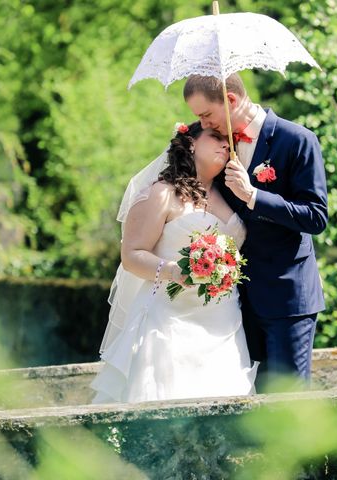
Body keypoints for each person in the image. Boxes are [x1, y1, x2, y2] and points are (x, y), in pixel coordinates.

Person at [91, 121, 256, 403]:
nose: (226, 144)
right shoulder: (162, 193)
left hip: (223, 319)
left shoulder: (229, 193)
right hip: (169, 318)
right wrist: (176, 271)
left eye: (228, 140)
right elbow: (132, 254)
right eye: (215, 137)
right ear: (191, 143)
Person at [184, 73, 328, 391]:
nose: (204, 124)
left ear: (231, 100)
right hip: (234, 303)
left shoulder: (297, 140)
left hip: (287, 298)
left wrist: (254, 196)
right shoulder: (218, 148)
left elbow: (316, 217)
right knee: (248, 406)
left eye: (206, 114)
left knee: (287, 405)